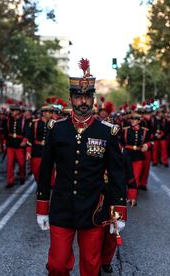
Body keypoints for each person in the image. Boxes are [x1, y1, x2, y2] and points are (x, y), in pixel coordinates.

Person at [35, 58, 127, 276]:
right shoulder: (56, 129)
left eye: (87, 97)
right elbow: (46, 170)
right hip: (61, 208)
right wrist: (41, 207)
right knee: (57, 265)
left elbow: (116, 174)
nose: (83, 101)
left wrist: (119, 210)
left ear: (93, 99)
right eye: (78, 97)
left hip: (94, 209)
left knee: (91, 265)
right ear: (71, 99)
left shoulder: (107, 132)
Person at [3, 104, 28, 188]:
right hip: (10, 144)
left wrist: (24, 141)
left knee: (21, 163)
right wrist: (4, 142)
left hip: (19, 144)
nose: (11, 112)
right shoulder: (8, 120)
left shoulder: (24, 121)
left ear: (18, 112)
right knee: (10, 164)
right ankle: (10, 181)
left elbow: (27, 132)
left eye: (13, 111)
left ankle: (22, 176)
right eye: (11, 110)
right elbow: (5, 132)